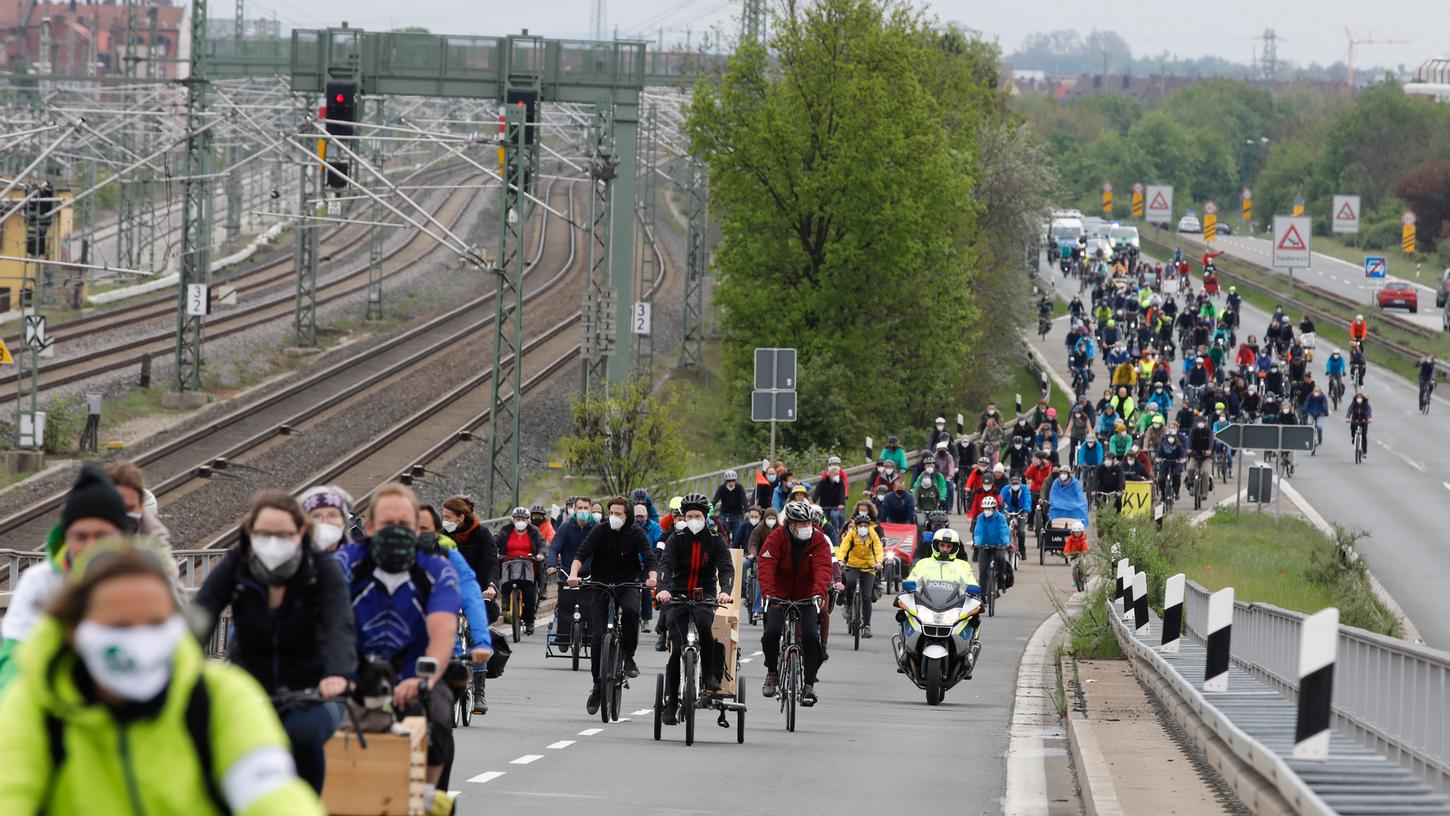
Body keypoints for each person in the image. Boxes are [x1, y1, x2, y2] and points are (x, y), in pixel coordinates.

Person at [0, 545, 326, 815]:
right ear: (76, 630)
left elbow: (272, 792)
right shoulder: (34, 704)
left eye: (155, 624)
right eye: (120, 625)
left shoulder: (221, 696)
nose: (140, 641)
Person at [192, 490, 356, 794]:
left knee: (303, 735)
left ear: (301, 533)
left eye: (283, 534)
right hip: (248, 684)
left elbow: (340, 622)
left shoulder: (321, 567)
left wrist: (338, 672)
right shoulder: (236, 564)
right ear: (249, 533)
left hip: (314, 689)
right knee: (217, 739)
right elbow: (201, 614)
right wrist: (178, 661)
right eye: (264, 534)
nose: (273, 541)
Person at [334, 483, 461, 789]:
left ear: (417, 528)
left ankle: (430, 798)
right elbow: (327, 621)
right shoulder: (343, 563)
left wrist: (425, 678)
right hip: (347, 676)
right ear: (370, 526)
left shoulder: (438, 569)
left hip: (413, 677)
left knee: (441, 724)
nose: (396, 531)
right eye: (388, 524)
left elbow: (443, 629)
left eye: (404, 524)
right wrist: (336, 673)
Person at [0, 464, 138, 690]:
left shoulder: (146, 583)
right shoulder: (39, 582)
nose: (90, 546)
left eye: (101, 536)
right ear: (65, 538)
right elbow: (14, 658)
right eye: (81, 537)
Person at [566, 496, 657, 714]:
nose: (614, 517)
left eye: (619, 514)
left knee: (631, 612)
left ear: (628, 517)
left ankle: (628, 656)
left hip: (628, 582)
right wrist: (573, 574)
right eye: (612, 513)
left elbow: (649, 558)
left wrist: (652, 577)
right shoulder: (600, 531)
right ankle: (597, 687)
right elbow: (582, 553)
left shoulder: (636, 533)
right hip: (601, 582)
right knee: (597, 637)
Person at [654, 493, 734, 723]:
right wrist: (663, 588)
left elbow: (727, 569)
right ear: (683, 517)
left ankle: (709, 675)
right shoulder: (676, 539)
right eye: (689, 516)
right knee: (677, 647)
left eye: (698, 515)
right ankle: (670, 703)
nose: (693, 520)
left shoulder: (716, 541)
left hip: (705, 595)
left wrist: (725, 591)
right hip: (677, 595)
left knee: (703, 625)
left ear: (706, 516)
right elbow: (665, 565)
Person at [758, 502, 832, 706]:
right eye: (800, 523)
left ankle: (809, 685)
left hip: (807, 595)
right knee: (771, 633)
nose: (805, 526)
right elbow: (766, 566)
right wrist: (769, 594)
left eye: (808, 522)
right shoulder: (776, 537)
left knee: (810, 636)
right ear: (790, 524)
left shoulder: (819, 540)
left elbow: (823, 568)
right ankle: (772, 672)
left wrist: (818, 593)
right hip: (779, 595)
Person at [547, 496, 595, 651]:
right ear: (574, 509)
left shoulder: (597, 527)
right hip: (567, 573)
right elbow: (554, 547)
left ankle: (589, 637)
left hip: (590, 574)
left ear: (590, 509)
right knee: (565, 605)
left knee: (590, 606)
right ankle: (563, 636)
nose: (582, 511)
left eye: (585, 508)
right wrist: (552, 564)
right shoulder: (566, 527)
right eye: (579, 508)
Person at [494, 506, 547, 636]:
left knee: (529, 593)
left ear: (528, 520)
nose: (520, 521)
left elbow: (542, 544)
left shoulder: (533, 531)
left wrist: (541, 554)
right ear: (512, 519)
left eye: (523, 518)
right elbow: (495, 540)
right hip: (509, 563)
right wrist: (493, 551)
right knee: (506, 581)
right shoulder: (505, 531)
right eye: (517, 518)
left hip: (529, 566)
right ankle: (505, 601)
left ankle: (529, 622)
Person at [835, 513, 883, 638]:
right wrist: (840, 560)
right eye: (860, 525)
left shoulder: (872, 534)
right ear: (856, 526)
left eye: (865, 525)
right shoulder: (851, 534)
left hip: (869, 567)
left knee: (867, 596)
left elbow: (878, 548)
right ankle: (849, 605)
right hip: (852, 565)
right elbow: (844, 547)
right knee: (850, 583)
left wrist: (879, 562)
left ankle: (867, 626)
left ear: (869, 526)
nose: (863, 527)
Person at [443, 496, 497, 605]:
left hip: (477, 588)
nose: (444, 521)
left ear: (461, 518)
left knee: (488, 611)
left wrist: (491, 586)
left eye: (447, 518)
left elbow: (491, 563)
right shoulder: (442, 535)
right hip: (450, 587)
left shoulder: (483, 534)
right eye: (443, 517)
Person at [105, 461, 170, 545]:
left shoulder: (158, 551)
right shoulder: (86, 548)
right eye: (116, 508)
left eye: (130, 508)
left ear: (141, 506)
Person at [972, 496, 1013, 591]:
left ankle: (1001, 579)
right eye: (985, 508)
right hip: (984, 546)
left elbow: (1004, 531)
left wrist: (1006, 543)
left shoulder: (1000, 518)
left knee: (1001, 558)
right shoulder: (980, 518)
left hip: (998, 545)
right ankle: (982, 594)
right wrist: (977, 543)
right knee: (983, 570)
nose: (987, 511)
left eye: (989, 508)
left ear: (994, 508)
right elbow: (979, 532)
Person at [300, 484, 353, 552]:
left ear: (344, 522)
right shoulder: (294, 560)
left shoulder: (360, 558)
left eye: (333, 515)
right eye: (316, 516)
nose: (325, 521)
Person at [999, 475, 1033, 558]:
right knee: (1005, 528)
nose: (1015, 485)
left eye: (1017, 483)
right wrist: (999, 510)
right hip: (1009, 511)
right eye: (1013, 484)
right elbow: (1000, 500)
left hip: (1021, 511)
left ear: (1020, 483)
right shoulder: (1005, 489)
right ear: (1010, 484)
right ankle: (1004, 546)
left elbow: (1027, 500)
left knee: (1021, 532)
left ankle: (1022, 550)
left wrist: (1026, 510)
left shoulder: (1024, 489)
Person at [811, 457, 848, 532]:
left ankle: (837, 531)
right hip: (824, 506)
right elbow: (817, 493)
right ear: (829, 474)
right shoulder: (822, 482)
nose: (837, 475)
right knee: (821, 519)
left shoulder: (840, 483)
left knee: (834, 516)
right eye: (835, 473)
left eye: (837, 473)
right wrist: (812, 502)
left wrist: (842, 503)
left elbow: (842, 493)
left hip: (836, 506)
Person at [713, 470, 749, 536]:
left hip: (737, 514)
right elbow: (716, 499)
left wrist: (747, 509)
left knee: (737, 532)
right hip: (724, 514)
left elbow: (743, 499)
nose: (731, 483)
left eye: (733, 481)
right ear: (726, 481)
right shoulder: (722, 488)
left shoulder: (739, 488)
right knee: (720, 529)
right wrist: (711, 507)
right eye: (729, 481)